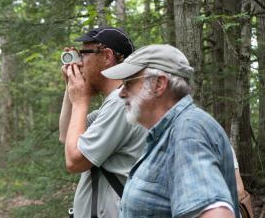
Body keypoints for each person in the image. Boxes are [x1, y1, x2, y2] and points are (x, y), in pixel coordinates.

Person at [101, 44, 240, 218]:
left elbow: (216, 214)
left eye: (128, 83)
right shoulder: (170, 131)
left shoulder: (187, 132)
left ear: (159, 84)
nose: (121, 93)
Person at [59, 27, 147, 218]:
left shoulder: (121, 102)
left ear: (107, 56)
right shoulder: (112, 105)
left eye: (83, 54)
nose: (79, 63)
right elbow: (67, 136)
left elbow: (74, 161)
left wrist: (81, 102)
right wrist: (71, 87)